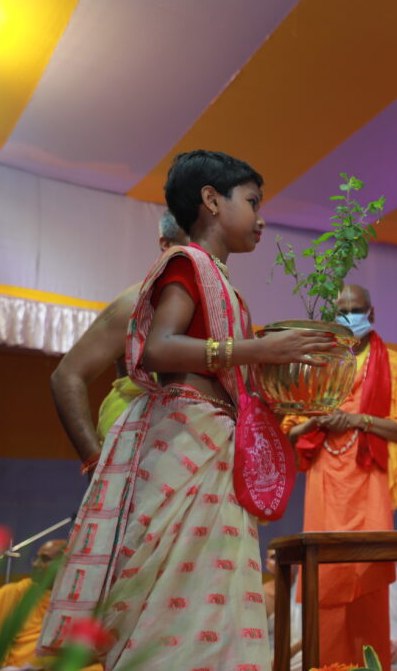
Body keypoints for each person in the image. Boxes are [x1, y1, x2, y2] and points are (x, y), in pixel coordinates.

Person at [37, 150, 334, 669]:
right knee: (169, 606)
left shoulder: (227, 288)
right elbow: (158, 349)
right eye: (252, 202)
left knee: (210, 602)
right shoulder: (187, 262)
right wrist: (260, 350)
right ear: (211, 201)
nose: (262, 218)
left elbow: (232, 373)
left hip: (216, 445)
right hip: (185, 438)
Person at [282, 284, 397, 669]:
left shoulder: (394, 363)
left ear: (372, 313)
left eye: (357, 310)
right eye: (342, 311)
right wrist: (318, 418)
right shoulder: (317, 363)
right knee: (325, 581)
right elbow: (289, 428)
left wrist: (359, 420)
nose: (350, 318)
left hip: (370, 478)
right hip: (325, 479)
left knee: (368, 579)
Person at [50, 212, 189, 464]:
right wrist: (92, 461)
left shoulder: (218, 306)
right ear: (167, 245)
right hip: (131, 450)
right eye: (192, 237)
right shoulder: (135, 304)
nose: (203, 249)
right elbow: (66, 376)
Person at [0, 540, 66, 668]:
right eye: (36, 558)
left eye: (45, 559)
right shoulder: (20, 590)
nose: (35, 564)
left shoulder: (80, 599)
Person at [264, 548, 303, 671]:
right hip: (273, 661)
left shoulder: (309, 590)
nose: (280, 560)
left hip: (306, 658)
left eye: (286, 555)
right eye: (274, 557)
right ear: (267, 564)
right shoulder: (261, 595)